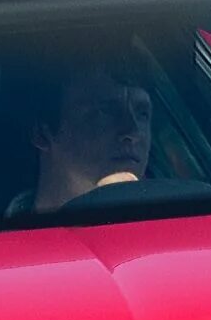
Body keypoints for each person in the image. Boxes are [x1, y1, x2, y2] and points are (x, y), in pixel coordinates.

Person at [23, 65, 153, 211]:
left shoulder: (170, 223)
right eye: (106, 111)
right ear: (41, 134)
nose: (132, 132)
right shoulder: (0, 231)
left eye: (142, 114)